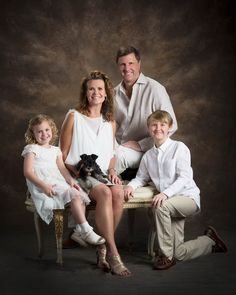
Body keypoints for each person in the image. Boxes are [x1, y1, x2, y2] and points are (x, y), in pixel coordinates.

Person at [124, 110, 227, 270]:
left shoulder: (179, 148)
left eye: (163, 124)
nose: (158, 128)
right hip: (170, 202)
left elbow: (184, 178)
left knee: (160, 207)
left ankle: (165, 256)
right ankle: (210, 241)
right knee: (180, 253)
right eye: (154, 125)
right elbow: (141, 178)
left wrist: (165, 193)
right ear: (149, 128)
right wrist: (131, 185)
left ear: (170, 128)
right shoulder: (148, 156)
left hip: (187, 198)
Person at [60, 70, 131, 277]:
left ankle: (102, 247)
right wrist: (74, 173)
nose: (96, 92)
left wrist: (111, 170)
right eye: (91, 89)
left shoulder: (110, 122)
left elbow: (111, 154)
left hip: (100, 174)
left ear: (106, 94)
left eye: (100, 89)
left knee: (118, 192)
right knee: (106, 193)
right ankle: (113, 253)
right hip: (79, 173)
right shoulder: (74, 116)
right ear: (85, 93)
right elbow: (62, 154)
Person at [22, 114, 105, 247]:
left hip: (57, 181)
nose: (44, 134)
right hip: (42, 183)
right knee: (74, 195)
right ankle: (87, 231)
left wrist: (71, 181)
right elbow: (27, 172)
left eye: (47, 130)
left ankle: (80, 230)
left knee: (78, 194)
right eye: (39, 131)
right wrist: (43, 186)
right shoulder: (31, 149)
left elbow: (62, 169)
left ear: (52, 130)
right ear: (33, 134)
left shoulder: (56, 150)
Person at [114, 46, 178, 175]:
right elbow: (111, 124)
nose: (127, 68)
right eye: (122, 64)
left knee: (116, 158)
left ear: (139, 64)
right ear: (118, 67)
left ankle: (102, 188)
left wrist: (140, 145)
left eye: (131, 63)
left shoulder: (155, 89)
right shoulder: (113, 93)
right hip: (117, 147)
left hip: (144, 151)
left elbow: (172, 126)